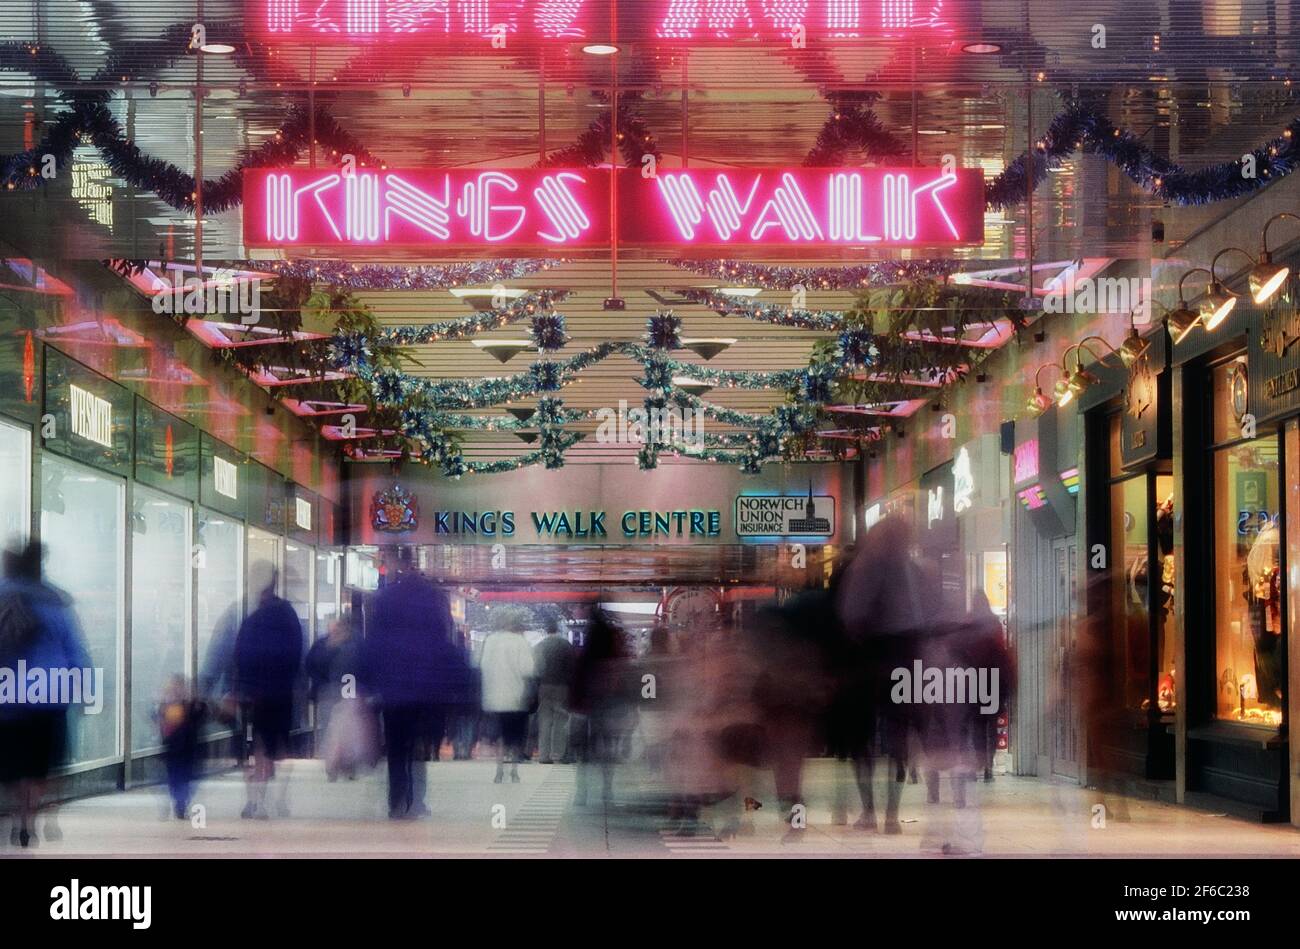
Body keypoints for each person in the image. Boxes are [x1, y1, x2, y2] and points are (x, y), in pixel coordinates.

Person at [0, 539, 91, 848]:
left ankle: (16, 813)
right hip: (49, 695)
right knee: (40, 762)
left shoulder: (2, 593)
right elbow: (75, 649)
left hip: (7, 694)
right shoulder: (56, 601)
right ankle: (30, 817)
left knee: (12, 761)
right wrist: (84, 689)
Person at [361, 550, 452, 818]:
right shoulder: (433, 599)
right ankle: (416, 799)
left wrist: (365, 683)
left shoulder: (386, 599)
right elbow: (441, 644)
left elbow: (374, 643)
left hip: (393, 689)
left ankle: (396, 800)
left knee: (397, 745)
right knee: (418, 746)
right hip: (424, 688)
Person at [234, 562, 304, 820]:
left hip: (257, 695)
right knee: (282, 749)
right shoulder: (289, 616)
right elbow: (297, 655)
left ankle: (257, 801)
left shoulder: (252, 619)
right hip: (282, 692)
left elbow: (240, 656)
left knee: (259, 747)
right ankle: (280, 799)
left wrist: (240, 689)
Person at [477, 608, 536, 783]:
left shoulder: (490, 641)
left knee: (501, 735)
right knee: (515, 736)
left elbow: (481, 665)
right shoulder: (520, 642)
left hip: (494, 698)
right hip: (515, 697)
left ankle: (499, 770)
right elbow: (529, 669)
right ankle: (514, 771)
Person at [156, 675, 202, 820]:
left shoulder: (191, 706)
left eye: (180, 688)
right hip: (173, 750)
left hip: (188, 749)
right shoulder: (166, 707)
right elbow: (160, 723)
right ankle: (178, 802)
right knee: (175, 778)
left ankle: (181, 802)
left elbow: (200, 717)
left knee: (186, 778)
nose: (177, 692)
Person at [532, 616, 575, 764]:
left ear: (546, 630)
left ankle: (544, 756)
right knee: (561, 721)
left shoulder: (539, 646)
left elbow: (535, 669)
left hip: (544, 687)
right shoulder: (565, 645)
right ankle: (558, 754)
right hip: (562, 687)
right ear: (557, 629)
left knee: (544, 721)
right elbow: (572, 668)